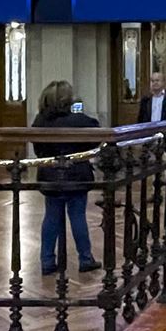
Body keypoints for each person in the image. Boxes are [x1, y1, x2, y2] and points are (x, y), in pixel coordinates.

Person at [32, 81, 101, 276]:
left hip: (50, 175)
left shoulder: (40, 121)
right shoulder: (78, 120)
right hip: (77, 175)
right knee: (78, 216)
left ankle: (46, 261)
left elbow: (38, 150)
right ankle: (85, 258)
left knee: (51, 217)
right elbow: (96, 134)